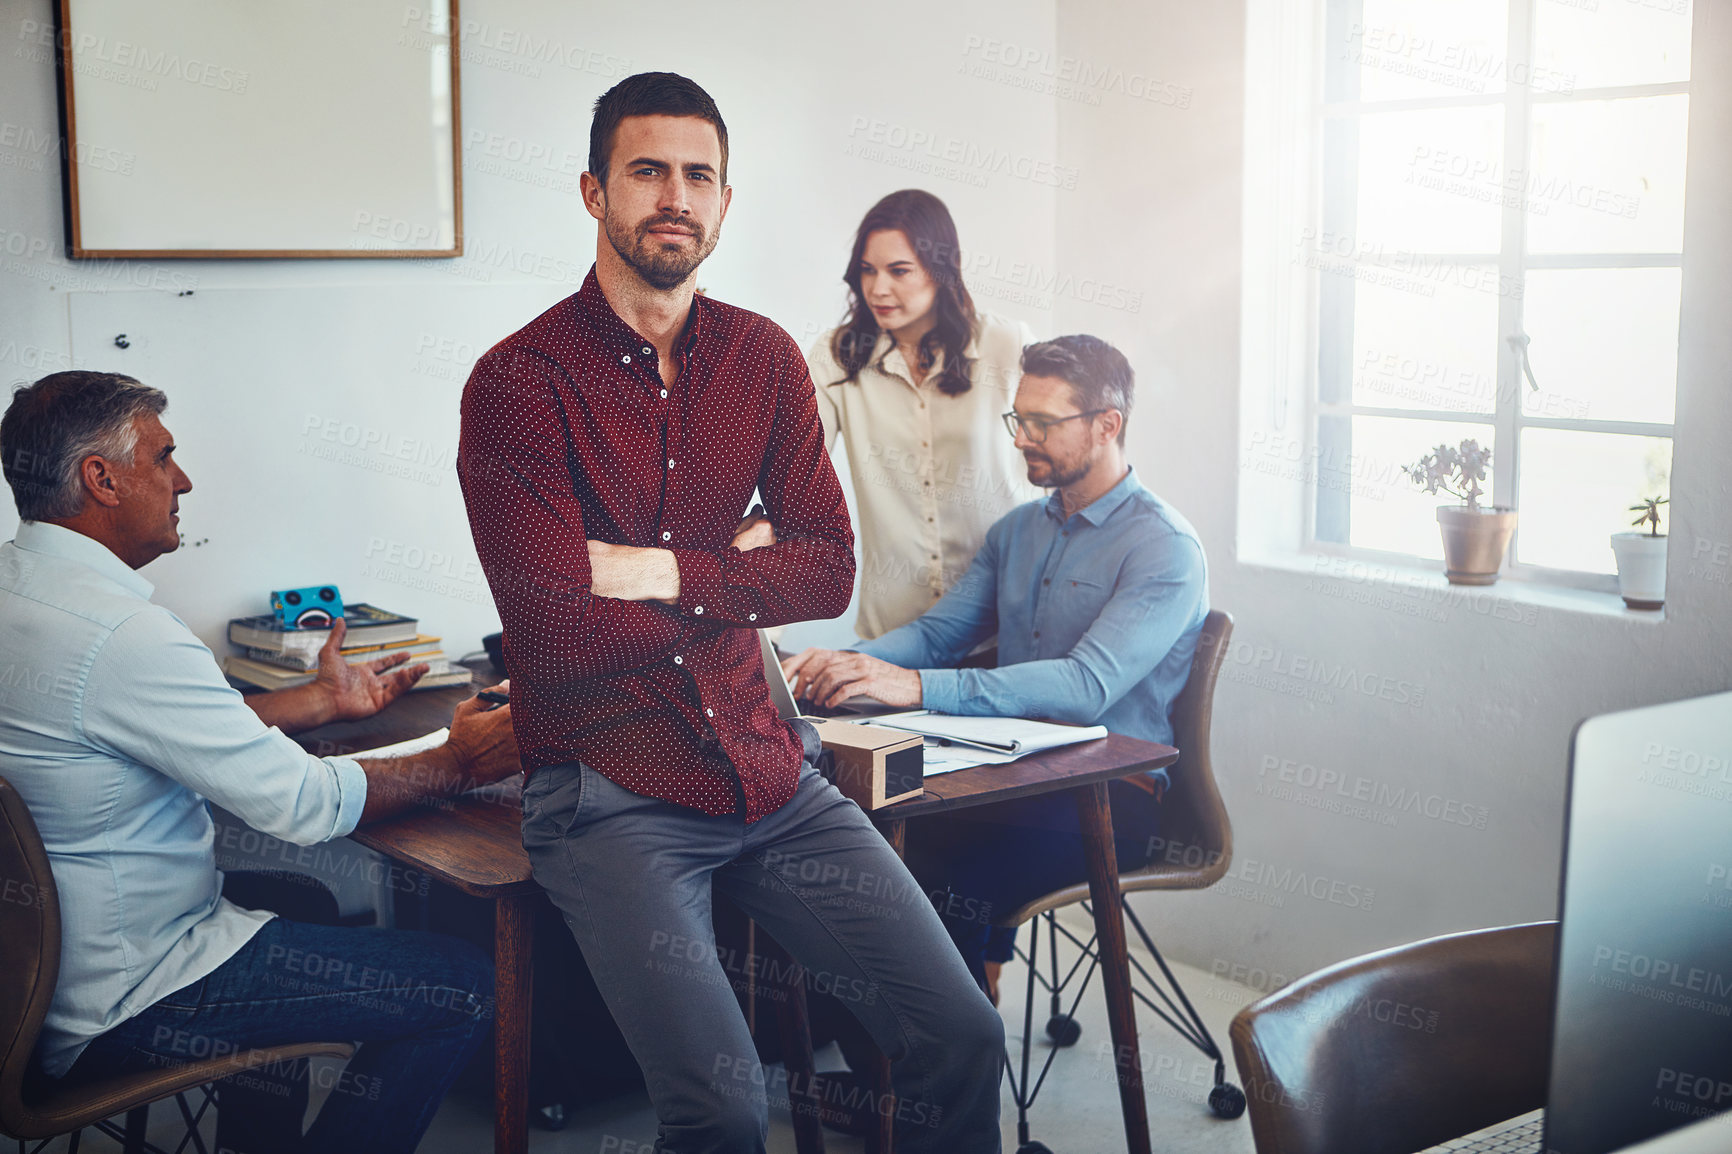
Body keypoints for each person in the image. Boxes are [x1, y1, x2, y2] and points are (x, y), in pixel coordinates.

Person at [456, 72, 1003, 1153]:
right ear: (592, 191)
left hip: (769, 772)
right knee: (721, 1108)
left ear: (724, 199)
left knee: (962, 1030)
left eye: (696, 174)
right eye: (647, 170)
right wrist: (731, 577)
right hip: (612, 793)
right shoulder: (518, 382)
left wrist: (652, 570)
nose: (675, 195)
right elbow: (555, 636)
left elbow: (825, 571)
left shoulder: (759, 357)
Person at [0, 370, 523, 1154]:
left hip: (33, 973)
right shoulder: (123, 636)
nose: (183, 480)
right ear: (100, 478)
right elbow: (304, 808)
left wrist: (310, 705)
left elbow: (127, 728)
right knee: (460, 982)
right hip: (126, 996)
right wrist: (462, 759)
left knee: (299, 899)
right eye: (164, 458)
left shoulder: (24, 594)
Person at [784, 335, 1209, 992]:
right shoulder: (1018, 531)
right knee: (868, 836)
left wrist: (915, 687)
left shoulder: (1165, 550)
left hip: (1113, 800)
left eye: (1043, 423)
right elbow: (938, 635)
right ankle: (900, 1047)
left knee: (939, 868)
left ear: (1107, 426)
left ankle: (949, 1061)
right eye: (1019, 419)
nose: (1021, 438)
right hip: (1011, 776)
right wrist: (837, 662)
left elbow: (1083, 687)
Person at [807, 188, 1036, 640]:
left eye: (899, 271)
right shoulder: (837, 357)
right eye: (868, 271)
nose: (878, 288)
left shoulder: (1006, 346)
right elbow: (793, 478)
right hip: (894, 634)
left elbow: (1057, 457)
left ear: (941, 269)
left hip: (1004, 628)